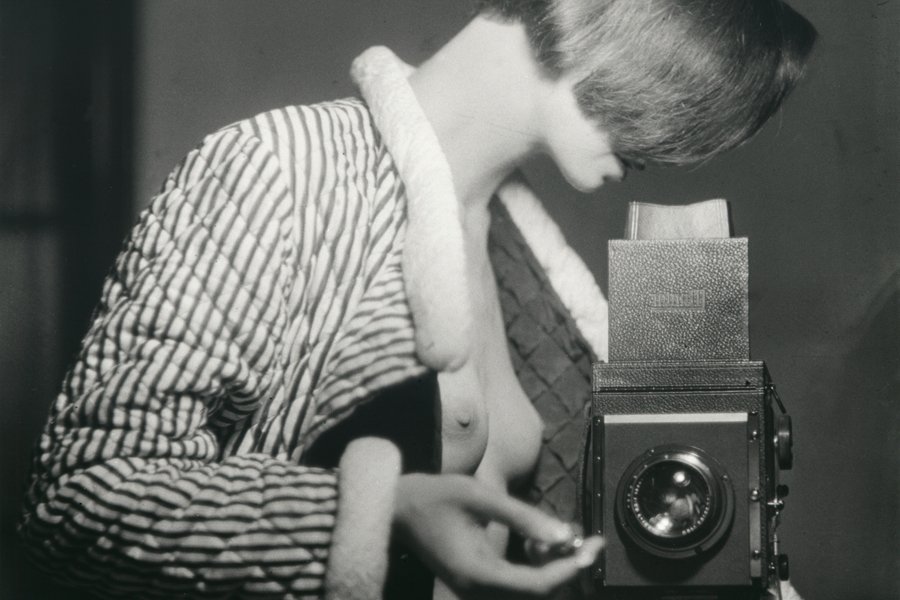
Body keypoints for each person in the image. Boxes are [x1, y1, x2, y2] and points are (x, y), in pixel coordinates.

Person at [18, 1, 816, 599]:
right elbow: (78, 498)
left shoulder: (525, 260)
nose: (679, 151)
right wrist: (377, 514)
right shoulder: (281, 166)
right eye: (694, 90)